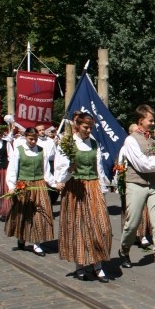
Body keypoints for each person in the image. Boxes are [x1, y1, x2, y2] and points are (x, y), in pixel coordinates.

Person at [54, 112, 112, 282]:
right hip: (75, 188)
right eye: (86, 127)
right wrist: (70, 169)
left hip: (93, 186)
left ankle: (98, 264)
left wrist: (102, 189)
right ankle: (80, 265)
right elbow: (59, 173)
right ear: (77, 126)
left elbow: (98, 167)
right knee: (78, 227)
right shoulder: (67, 143)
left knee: (101, 226)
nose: (89, 131)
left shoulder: (94, 143)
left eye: (91, 128)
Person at [117, 105, 155, 276]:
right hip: (136, 184)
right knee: (133, 222)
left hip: (154, 185)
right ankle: (124, 249)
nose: (153, 123)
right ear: (140, 120)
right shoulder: (131, 140)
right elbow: (143, 165)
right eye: (151, 120)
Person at [5, 127, 56, 256]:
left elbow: (46, 170)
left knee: (40, 214)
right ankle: (21, 237)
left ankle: (37, 243)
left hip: (39, 185)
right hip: (24, 185)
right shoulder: (18, 151)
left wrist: (53, 184)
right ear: (26, 137)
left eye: (35, 139)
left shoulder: (41, 151)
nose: (33, 141)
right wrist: (11, 186)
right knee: (24, 214)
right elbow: (12, 170)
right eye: (30, 139)